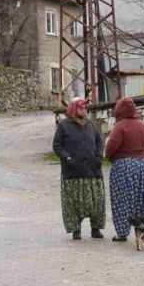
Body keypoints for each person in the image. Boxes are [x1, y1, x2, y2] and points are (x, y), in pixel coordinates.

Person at [52, 98, 105, 240]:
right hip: (73, 171)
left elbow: (99, 141)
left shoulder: (91, 125)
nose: (84, 111)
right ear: (74, 109)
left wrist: (99, 156)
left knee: (96, 202)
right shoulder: (64, 126)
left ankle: (95, 229)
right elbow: (57, 146)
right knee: (74, 203)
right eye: (81, 108)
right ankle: (76, 230)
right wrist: (67, 158)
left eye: (85, 108)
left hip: (92, 170)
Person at [105, 97, 144, 242]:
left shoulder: (120, 127)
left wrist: (111, 158)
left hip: (123, 167)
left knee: (122, 199)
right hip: (143, 165)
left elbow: (110, 148)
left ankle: (122, 232)